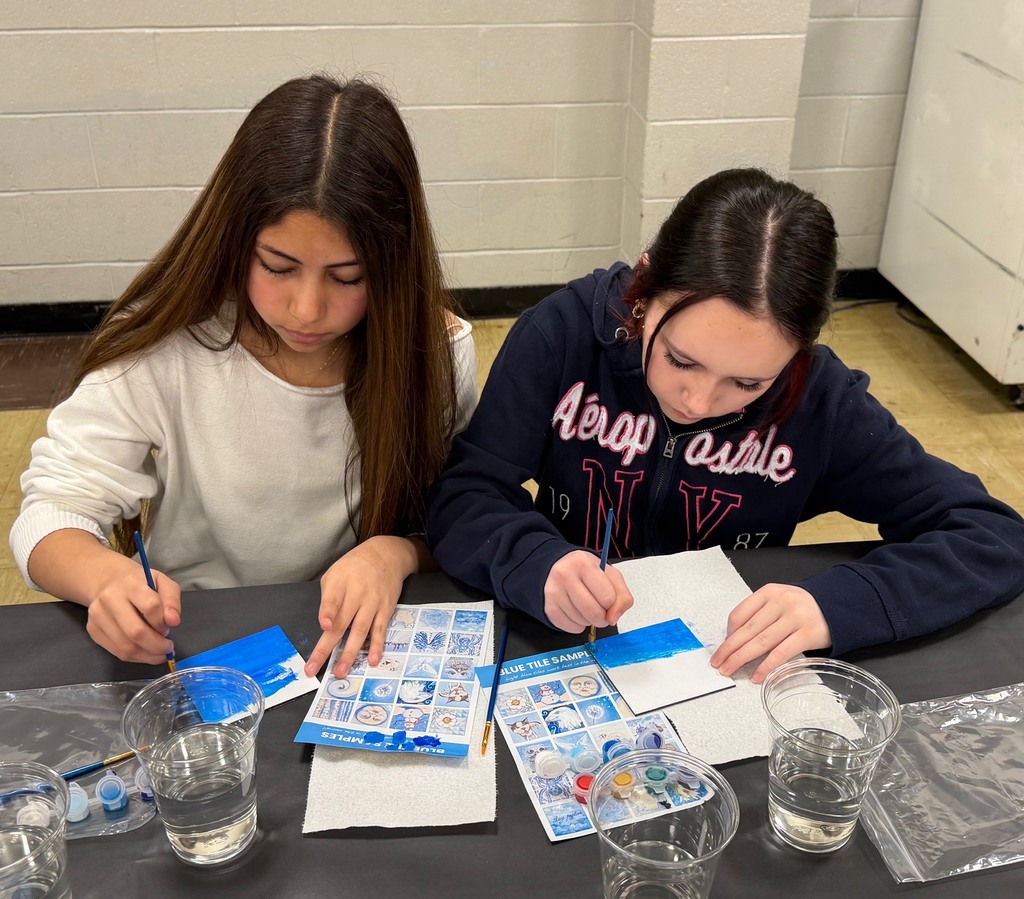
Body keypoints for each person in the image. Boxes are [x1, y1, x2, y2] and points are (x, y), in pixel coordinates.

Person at [426, 167, 1024, 684]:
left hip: (717, 660)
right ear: (644, 288)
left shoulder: (820, 400)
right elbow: (465, 494)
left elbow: (991, 534)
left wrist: (840, 604)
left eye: (749, 384)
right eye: (680, 359)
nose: (696, 401)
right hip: (559, 636)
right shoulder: (560, 338)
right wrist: (536, 562)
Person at [10, 74, 477, 679]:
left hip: (357, 640)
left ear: (393, 265)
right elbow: (54, 507)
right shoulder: (173, 343)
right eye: (278, 267)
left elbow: (465, 514)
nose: (306, 309)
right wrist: (104, 579)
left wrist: (398, 552)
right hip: (201, 633)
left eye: (347, 277)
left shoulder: (433, 350)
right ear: (235, 243)